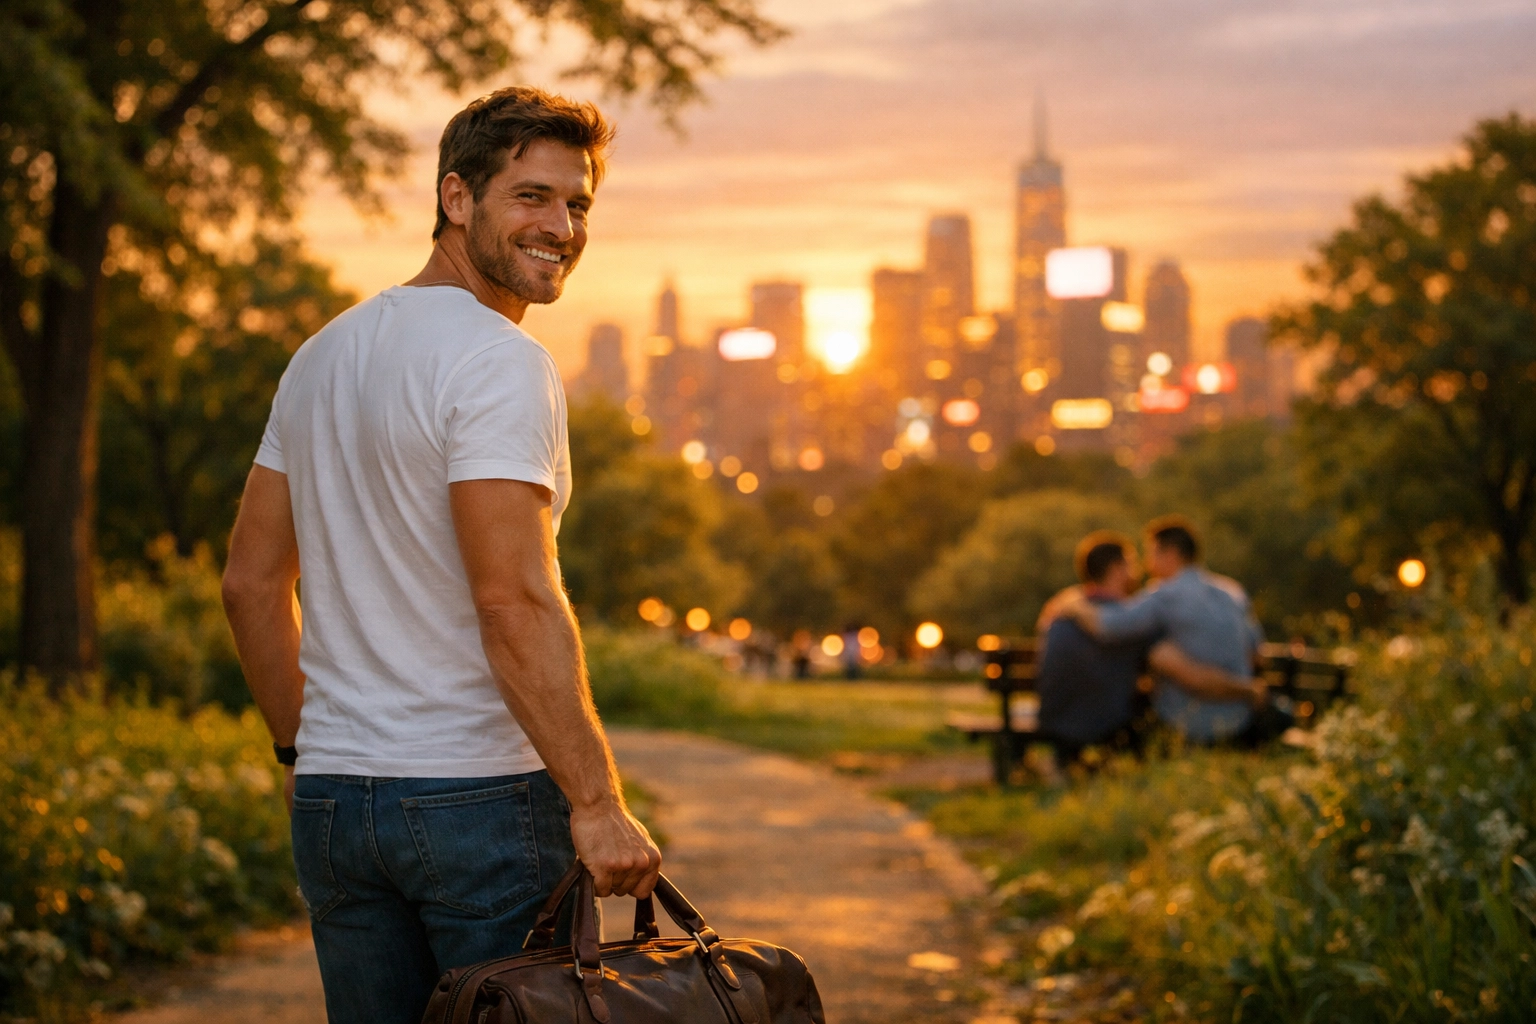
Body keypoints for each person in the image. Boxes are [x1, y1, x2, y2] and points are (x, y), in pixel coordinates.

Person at [221, 88, 661, 1023]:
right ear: (457, 200)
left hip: (337, 808)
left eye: (577, 204)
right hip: (478, 800)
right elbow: (514, 599)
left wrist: (301, 746)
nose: (562, 225)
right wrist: (595, 799)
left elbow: (252, 584)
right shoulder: (498, 360)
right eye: (531, 197)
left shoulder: (321, 356)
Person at [1056, 517, 1271, 745]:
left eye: (1151, 554)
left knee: (1157, 666)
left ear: (1170, 554)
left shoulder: (1165, 594)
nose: (1147, 565)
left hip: (1189, 723)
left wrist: (1071, 604)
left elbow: (1107, 626)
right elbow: (1257, 653)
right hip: (1240, 719)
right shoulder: (1232, 592)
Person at [1033, 532, 1149, 760]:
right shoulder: (1128, 619)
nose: (1137, 572)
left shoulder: (1060, 613)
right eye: (1131, 564)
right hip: (1110, 726)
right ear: (1117, 569)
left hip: (1057, 723)